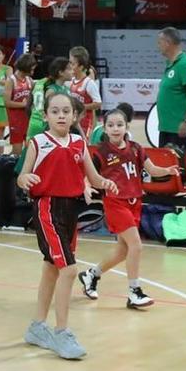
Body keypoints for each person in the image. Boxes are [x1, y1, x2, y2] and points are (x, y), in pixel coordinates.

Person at [19, 87, 113, 361]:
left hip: (70, 210)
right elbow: (22, 175)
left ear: (74, 116)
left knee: (51, 268)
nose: (61, 115)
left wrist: (105, 182)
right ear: (45, 115)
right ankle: (61, 332)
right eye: (55, 111)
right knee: (69, 270)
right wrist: (24, 180)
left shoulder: (78, 143)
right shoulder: (38, 142)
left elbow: (94, 178)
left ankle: (37, 327)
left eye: (66, 111)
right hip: (47, 207)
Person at [81, 103, 151, 310]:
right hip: (114, 202)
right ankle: (134, 292)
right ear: (105, 128)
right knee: (136, 246)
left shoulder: (136, 148)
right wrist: (86, 186)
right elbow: (90, 176)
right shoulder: (101, 153)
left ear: (127, 126)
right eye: (111, 125)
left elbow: (152, 169)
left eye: (119, 124)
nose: (115, 128)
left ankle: (91, 274)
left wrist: (169, 169)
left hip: (134, 201)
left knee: (122, 251)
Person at [155, 27, 186, 177]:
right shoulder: (171, 64)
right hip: (167, 127)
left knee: (185, 169)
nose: (158, 45)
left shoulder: (184, 64)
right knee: (166, 168)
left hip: (179, 128)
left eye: (160, 42)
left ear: (168, 43)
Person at [6, 53, 37, 153]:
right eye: (31, 69)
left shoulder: (29, 80)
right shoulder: (11, 80)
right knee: (17, 151)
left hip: (28, 119)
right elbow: (7, 102)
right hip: (16, 120)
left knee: (29, 150)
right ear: (25, 67)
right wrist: (23, 105)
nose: (32, 72)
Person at [67, 45, 101, 127]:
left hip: (85, 123)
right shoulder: (71, 81)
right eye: (69, 62)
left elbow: (98, 104)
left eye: (72, 63)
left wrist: (81, 107)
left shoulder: (89, 83)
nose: (70, 66)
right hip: (72, 122)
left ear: (81, 66)